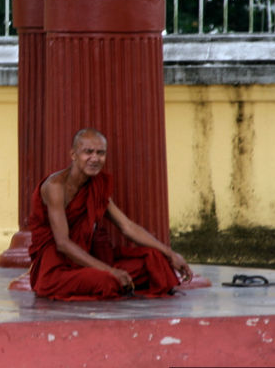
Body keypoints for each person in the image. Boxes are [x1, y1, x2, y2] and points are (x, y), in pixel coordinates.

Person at [28, 128, 193, 300]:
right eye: (88, 152)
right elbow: (62, 243)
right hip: (57, 269)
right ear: (73, 154)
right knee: (106, 280)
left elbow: (127, 226)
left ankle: (113, 279)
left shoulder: (96, 186)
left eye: (101, 153)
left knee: (155, 260)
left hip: (87, 260)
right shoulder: (55, 187)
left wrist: (170, 253)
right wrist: (110, 270)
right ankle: (111, 280)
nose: (95, 158)